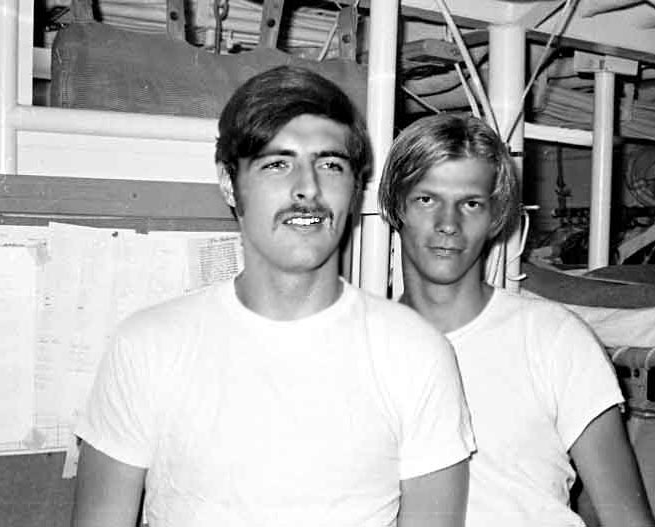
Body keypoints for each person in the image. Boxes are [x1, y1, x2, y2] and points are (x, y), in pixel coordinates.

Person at [71, 66, 476, 527]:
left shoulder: (415, 354)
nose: (308, 188)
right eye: (277, 164)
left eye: (330, 165)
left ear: (354, 188)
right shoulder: (147, 346)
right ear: (229, 183)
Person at [378, 113, 655, 527]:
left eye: (470, 204)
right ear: (396, 205)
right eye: (427, 200)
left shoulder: (552, 338)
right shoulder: (360, 349)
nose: (448, 224)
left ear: (495, 217)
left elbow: (627, 520)